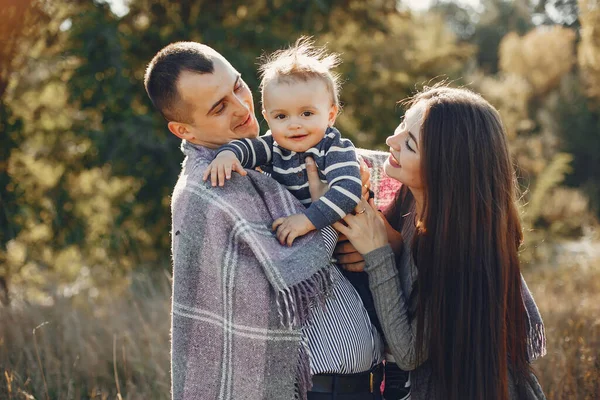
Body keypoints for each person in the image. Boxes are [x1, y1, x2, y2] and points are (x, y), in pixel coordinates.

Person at [144, 41, 385, 400]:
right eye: (219, 106)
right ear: (185, 131)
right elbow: (277, 275)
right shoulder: (210, 189)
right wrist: (324, 216)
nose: (242, 108)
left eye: (238, 86)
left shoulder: (267, 156)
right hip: (309, 388)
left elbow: (352, 161)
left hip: (356, 381)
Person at [333, 86, 547, 400]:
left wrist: (378, 253)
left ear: (444, 168)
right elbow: (338, 155)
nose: (391, 141)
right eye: (401, 125)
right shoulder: (410, 197)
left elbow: (408, 352)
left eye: (409, 143)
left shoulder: (463, 252)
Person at [204, 38, 362, 247]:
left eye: (307, 113)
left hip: (347, 244)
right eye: (281, 116)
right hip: (303, 245)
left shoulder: (333, 147)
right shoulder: (274, 146)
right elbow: (248, 148)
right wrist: (228, 155)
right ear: (267, 118)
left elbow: (348, 189)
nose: (294, 125)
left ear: (331, 114)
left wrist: (307, 220)